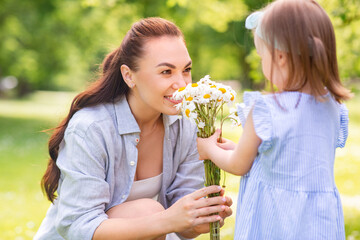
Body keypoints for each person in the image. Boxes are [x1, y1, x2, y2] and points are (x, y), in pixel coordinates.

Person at [34, 17, 232, 240]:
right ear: (129, 76)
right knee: (149, 212)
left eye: (186, 70)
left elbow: (181, 222)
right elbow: (78, 227)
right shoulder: (91, 128)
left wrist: (200, 217)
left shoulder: (187, 125)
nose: (183, 84)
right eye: (166, 72)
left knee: (153, 214)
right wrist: (167, 220)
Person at [196, 0, 353, 239]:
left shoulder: (267, 109)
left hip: (276, 220)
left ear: (279, 57)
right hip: (318, 222)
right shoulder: (332, 107)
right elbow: (292, 159)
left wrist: (209, 149)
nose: (262, 63)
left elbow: (239, 165)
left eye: (262, 57)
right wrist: (239, 148)